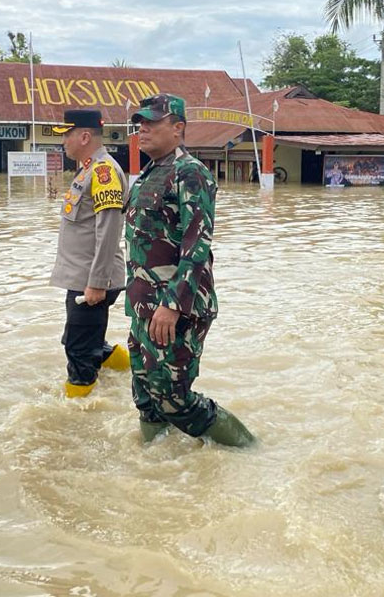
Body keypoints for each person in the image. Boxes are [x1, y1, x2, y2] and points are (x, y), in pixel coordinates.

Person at [124, 93, 255, 447]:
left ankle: (248, 450)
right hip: (143, 305)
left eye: (152, 122)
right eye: (140, 122)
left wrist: (172, 304)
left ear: (178, 128)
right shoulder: (150, 173)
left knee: (174, 397)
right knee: (145, 395)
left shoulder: (190, 173)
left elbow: (197, 245)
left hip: (175, 307)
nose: (143, 128)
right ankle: (157, 463)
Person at [48, 108, 131, 398]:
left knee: (79, 351)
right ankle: (131, 372)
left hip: (92, 282)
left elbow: (108, 231)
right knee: (87, 340)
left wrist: (97, 282)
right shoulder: (88, 168)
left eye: (66, 135)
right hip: (83, 278)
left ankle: (76, 415)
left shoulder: (104, 172)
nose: (64, 142)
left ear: (84, 136)